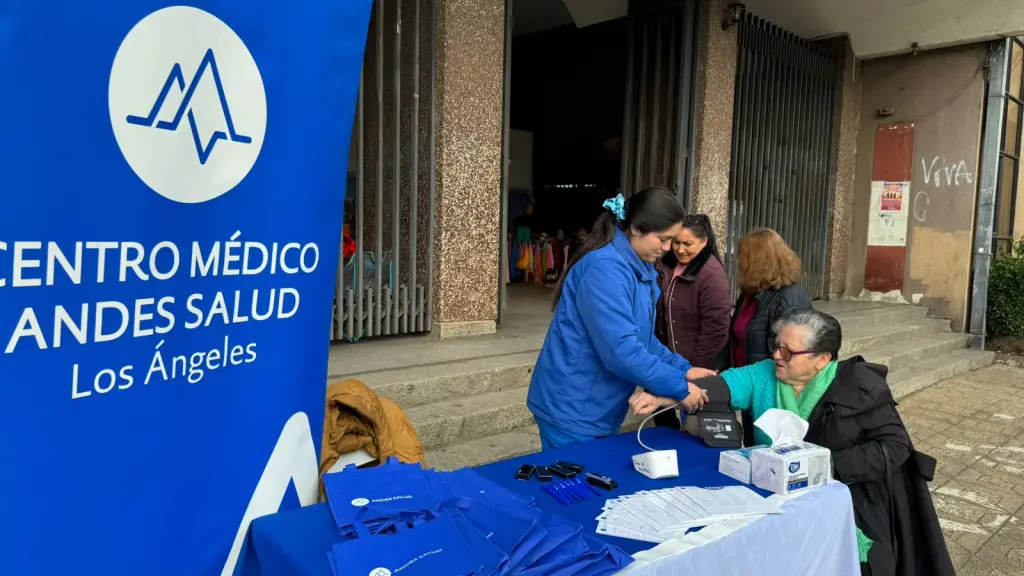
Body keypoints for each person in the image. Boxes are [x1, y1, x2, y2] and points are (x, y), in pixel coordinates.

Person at [631, 309, 954, 576]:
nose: (776, 355)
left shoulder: (860, 387)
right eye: (776, 346)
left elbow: (894, 447)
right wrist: (665, 394)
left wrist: (818, 466)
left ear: (822, 359)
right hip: (775, 501)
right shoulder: (764, 375)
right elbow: (719, 386)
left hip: (847, 499)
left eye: (787, 351)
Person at [527, 188, 716, 450]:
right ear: (636, 229)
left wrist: (683, 369)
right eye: (663, 239)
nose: (666, 249)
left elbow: (643, 340)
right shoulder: (605, 269)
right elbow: (622, 351)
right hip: (573, 406)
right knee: (575, 485)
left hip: (597, 403)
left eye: (671, 240)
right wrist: (680, 388)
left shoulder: (639, 266)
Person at [730, 227, 811, 446]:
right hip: (751, 382)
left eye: (744, 257)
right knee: (752, 443)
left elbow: (789, 350)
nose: (738, 262)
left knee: (768, 447)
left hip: (773, 389)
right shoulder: (751, 294)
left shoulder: (788, 298)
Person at [652, 214, 732, 431]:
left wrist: (696, 366)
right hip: (664, 355)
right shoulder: (664, 264)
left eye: (688, 244)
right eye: (676, 242)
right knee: (662, 415)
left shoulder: (711, 274)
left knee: (694, 419)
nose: (680, 249)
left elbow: (715, 328)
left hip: (695, 361)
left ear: (704, 242)